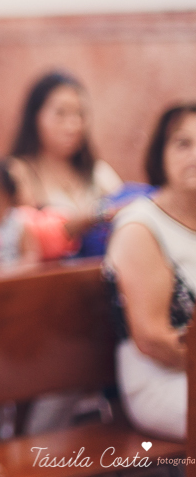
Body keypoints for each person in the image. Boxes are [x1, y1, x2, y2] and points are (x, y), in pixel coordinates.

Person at [105, 102, 196, 442]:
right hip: (162, 381)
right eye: (183, 143)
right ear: (161, 154)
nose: (195, 155)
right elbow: (153, 339)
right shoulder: (140, 226)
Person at [9, 71, 123, 256]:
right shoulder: (18, 172)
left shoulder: (97, 171)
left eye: (79, 114)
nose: (72, 125)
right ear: (35, 117)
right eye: (60, 114)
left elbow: (123, 214)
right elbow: (24, 237)